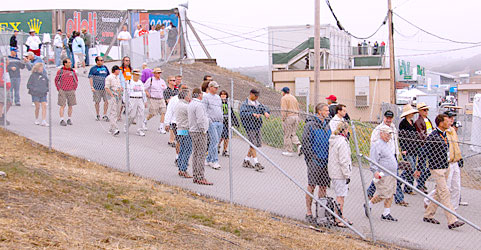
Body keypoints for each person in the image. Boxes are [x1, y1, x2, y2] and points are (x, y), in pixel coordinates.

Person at [421, 114, 465, 230]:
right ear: (440, 123)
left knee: (438, 194)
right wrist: (419, 168)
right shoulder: (433, 136)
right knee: (445, 192)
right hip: (437, 168)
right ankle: (452, 220)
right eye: (446, 121)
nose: (449, 122)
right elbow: (423, 152)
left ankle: (428, 215)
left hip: (446, 166)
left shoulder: (445, 134)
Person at [367, 110, 408, 206]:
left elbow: (395, 142)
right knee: (384, 180)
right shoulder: (378, 129)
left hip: (392, 156)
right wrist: (376, 164)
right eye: (387, 118)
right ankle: (398, 198)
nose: (388, 120)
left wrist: (397, 153)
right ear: (384, 118)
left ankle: (371, 193)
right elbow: (374, 145)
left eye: (390, 118)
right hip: (382, 159)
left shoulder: (393, 128)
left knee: (390, 181)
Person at [301, 103, 331, 225]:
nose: (328, 112)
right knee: (312, 186)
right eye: (326, 110)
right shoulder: (310, 125)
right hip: (314, 161)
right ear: (319, 111)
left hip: (325, 161)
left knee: (323, 187)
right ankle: (309, 211)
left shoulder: (327, 126)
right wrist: (311, 158)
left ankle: (321, 211)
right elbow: (306, 143)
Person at [364, 125, 398, 222]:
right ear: (381, 134)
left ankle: (386, 212)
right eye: (387, 134)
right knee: (384, 193)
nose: (389, 136)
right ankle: (369, 203)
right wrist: (375, 171)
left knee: (391, 193)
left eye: (390, 134)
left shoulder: (387, 145)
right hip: (384, 174)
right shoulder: (377, 145)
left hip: (392, 173)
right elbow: (373, 159)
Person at [328, 121, 352, 227]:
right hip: (340, 173)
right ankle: (338, 219)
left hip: (335, 171)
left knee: (340, 195)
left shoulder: (335, 140)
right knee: (340, 196)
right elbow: (344, 160)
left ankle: (340, 216)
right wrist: (347, 174)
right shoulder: (342, 142)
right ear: (345, 130)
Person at [240, 89, 270, 171]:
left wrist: (266, 113)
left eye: (257, 96)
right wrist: (252, 114)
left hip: (257, 126)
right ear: (251, 94)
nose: (256, 97)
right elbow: (242, 114)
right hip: (250, 126)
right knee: (252, 144)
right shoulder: (245, 104)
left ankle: (246, 160)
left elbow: (265, 109)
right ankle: (256, 162)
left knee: (255, 144)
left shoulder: (258, 104)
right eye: (255, 95)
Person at [188, 88, 212, 185]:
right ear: (199, 95)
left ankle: (195, 175)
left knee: (196, 154)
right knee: (201, 154)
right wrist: (203, 129)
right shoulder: (199, 105)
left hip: (193, 130)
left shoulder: (191, 104)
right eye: (201, 94)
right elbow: (200, 119)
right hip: (199, 131)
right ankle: (200, 176)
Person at [202, 81, 224, 170]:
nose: (216, 89)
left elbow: (220, 108)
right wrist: (209, 120)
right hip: (212, 122)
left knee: (215, 141)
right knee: (214, 140)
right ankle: (214, 160)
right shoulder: (206, 97)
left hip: (219, 122)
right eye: (215, 87)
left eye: (217, 87)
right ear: (210, 87)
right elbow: (204, 110)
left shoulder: (218, 97)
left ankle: (208, 159)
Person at [165, 85, 189, 165]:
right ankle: (177, 157)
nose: (185, 91)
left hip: (185, 124)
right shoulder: (174, 99)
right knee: (179, 141)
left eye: (186, 90)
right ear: (179, 90)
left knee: (185, 142)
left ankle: (183, 158)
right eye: (183, 89)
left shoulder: (188, 100)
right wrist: (167, 123)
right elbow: (169, 111)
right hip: (176, 123)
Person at [398, 104, 419, 195]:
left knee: (410, 168)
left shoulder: (412, 122)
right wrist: (403, 148)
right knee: (410, 167)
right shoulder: (403, 124)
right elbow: (401, 137)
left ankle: (407, 187)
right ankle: (401, 183)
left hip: (413, 148)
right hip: (407, 148)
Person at [414, 102, 434, 194]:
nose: (426, 112)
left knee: (431, 166)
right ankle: (420, 183)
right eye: (424, 110)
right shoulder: (418, 122)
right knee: (421, 165)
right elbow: (421, 135)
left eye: (427, 110)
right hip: (423, 146)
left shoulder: (428, 120)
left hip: (430, 144)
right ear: (420, 111)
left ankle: (421, 182)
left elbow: (431, 130)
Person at [174, 89, 193, 178]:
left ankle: (181, 167)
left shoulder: (178, 104)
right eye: (189, 95)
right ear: (185, 96)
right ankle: (183, 169)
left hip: (180, 128)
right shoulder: (185, 106)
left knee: (182, 148)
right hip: (186, 129)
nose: (190, 97)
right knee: (187, 150)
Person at [54, 58, 78, 126]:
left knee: (70, 105)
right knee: (62, 105)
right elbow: (56, 80)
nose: (70, 63)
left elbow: (76, 80)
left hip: (71, 90)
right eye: (69, 62)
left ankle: (69, 118)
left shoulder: (72, 71)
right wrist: (59, 89)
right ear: (65, 63)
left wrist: (74, 88)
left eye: (70, 62)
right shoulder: (60, 71)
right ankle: (62, 119)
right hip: (63, 90)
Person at [144, 68, 167, 132]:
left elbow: (165, 88)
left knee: (163, 111)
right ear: (154, 73)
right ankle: (145, 120)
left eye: (160, 73)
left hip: (161, 98)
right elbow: (144, 88)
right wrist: (147, 93)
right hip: (153, 99)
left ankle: (161, 127)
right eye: (157, 73)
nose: (159, 74)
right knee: (153, 113)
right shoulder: (150, 80)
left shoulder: (162, 81)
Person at [125, 69, 147, 136]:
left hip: (140, 99)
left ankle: (139, 129)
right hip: (132, 98)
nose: (137, 76)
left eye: (138, 75)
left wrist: (145, 100)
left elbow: (143, 92)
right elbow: (127, 92)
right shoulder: (129, 82)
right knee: (132, 114)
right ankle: (127, 125)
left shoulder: (140, 83)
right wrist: (126, 101)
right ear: (133, 75)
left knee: (141, 114)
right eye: (136, 75)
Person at [280, 87, 301, 157]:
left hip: (289, 117)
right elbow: (298, 107)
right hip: (296, 116)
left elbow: (284, 109)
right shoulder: (293, 97)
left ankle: (289, 150)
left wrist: (283, 118)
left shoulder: (284, 98)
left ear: (283, 92)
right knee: (293, 133)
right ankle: (298, 144)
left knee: (287, 134)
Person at [88, 56, 110, 121]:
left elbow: (108, 76)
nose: (101, 61)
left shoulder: (105, 68)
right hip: (97, 88)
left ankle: (105, 114)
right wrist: (92, 87)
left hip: (105, 87)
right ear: (97, 61)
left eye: (102, 60)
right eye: (100, 60)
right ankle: (97, 114)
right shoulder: (93, 69)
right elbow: (91, 78)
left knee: (106, 101)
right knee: (97, 101)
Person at [218, 90, 239, 157]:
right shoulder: (218, 103)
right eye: (222, 94)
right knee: (221, 137)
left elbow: (232, 113)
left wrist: (236, 122)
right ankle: (217, 146)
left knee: (227, 137)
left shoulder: (228, 103)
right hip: (221, 121)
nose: (223, 96)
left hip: (227, 122)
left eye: (224, 94)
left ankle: (224, 150)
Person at [105, 65, 123, 136]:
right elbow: (106, 87)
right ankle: (114, 128)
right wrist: (112, 95)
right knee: (113, 112)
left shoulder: (117, 78)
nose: (119, 71)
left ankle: (111, 127)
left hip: (118, 95)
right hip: (113, 96)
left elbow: (118, 85)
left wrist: (121, 89)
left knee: (117, 112)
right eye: (118, 70)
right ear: (115, 70)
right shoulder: (109, 77)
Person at [164, 76, 179, 144]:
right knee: (172, 123)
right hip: (169, 107)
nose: (174, 82)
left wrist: (172, 99)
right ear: (169, 81)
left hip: (176, 108)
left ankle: (173, 139)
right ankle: (171, 140)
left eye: (174, 80)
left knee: (174, 123)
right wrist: (172, 99)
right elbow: (168, 100)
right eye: (172, 80)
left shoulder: (176, 91)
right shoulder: (166, 90)